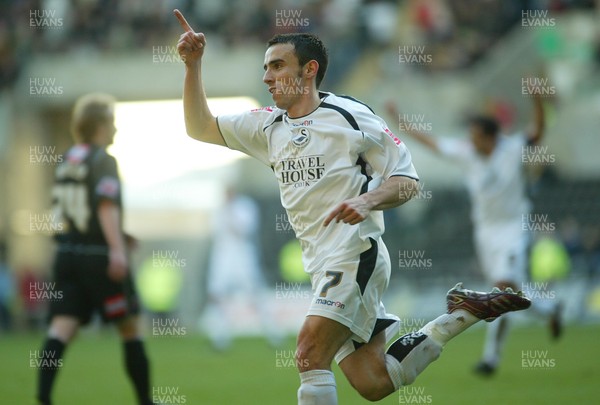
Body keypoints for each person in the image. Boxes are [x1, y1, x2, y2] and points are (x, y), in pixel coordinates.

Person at [174, 9, 530, 403]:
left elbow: (407, 182)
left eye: (277, 66)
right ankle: (461, 315)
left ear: (309, 70)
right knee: (373, 381)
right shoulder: (265, 126)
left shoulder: (351, 117)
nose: (267, 77)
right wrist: (193, 66)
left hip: (355, 253)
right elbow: (199, 127)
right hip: (320, 263)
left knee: (309, 353)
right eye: (265, 68)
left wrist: (368, 199)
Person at [388, 91, 561, 377]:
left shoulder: (512, 148)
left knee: (502, 289)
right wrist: (398, 119)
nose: (470, 141)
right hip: (486, 232)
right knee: (506, 294)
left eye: (476, 136)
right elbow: (430, 143)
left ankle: (490, 358)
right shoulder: (467, 152)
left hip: (513, 228)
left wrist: (537, 100)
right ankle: (549, 309)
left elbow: (538, 131)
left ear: (490, 137)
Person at [36, 93, 154, 405]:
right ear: (100, 125)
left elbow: (77, 212)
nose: (115, 129)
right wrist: (117, 248)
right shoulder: (104, 160)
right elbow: (104, 206)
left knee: (61, 328)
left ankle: (43, 397)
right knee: (129, 326)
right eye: (112, 122)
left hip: (66, 255)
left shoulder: (66, 159)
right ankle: (145, 400)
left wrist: (119, 234)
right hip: (98, 259)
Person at [202, 186, 281, 350]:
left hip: (243, 257)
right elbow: (216, 234)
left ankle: (273, 334)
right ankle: (220, 338)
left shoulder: (245, 207)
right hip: (223, 258)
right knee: (217, 296)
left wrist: (230, 215)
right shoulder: (218, 210)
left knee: (255, 295)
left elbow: (243, 231)